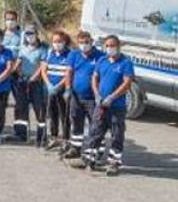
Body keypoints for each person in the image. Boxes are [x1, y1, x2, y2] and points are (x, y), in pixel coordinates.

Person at [81, 35, 134, 176]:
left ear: (118, 46)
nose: (110, 48)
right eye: (107, 46)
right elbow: (95, 78)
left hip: (117, 107)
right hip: (101, 105)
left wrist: (112, 97)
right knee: (95, 132)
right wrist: (97, 94)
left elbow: (127, 83)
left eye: (112, 45)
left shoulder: (125, 63)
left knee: (117, 134)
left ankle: (113, 163)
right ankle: (89, 159)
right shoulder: (102, 60)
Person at [64, 31, 105, 159]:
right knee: (76, 121)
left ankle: (97, 150)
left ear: (92, 42)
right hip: (76, 96)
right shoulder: (74, 54)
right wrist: (68, 88)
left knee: (96, 124)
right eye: (81, 42)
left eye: (86, 42)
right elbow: (69, 72)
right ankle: (75, 148)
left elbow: (102, 76)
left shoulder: (100, 56)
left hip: (93, 98)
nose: (84, 45)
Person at [13, 25, 48, 145]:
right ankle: (21, 134)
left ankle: (41, 136)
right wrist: (18, 71)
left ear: (36, 34)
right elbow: (18, 62)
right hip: (23, 81)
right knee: (21, 108)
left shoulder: (42, 49)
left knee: (39, 109)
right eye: (27, 34)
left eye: (31, 33)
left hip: (36, 83)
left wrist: (34, 77)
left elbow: (42, 66)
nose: (29, 36)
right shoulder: (22, 48)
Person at [41, 30, 72, 150]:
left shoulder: (70, 54)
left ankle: (65, 139)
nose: (57, 44)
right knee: (52, 114)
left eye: (59, 41)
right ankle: (53, 137)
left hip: (63, 89)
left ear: (64, 42)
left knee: (64, 115)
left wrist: (59, 86)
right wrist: (49, 85)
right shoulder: (49, 53)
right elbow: (43, 70)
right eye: (54, 41)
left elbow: (68, 73)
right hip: (50, 89)